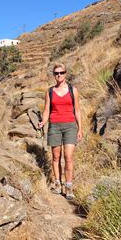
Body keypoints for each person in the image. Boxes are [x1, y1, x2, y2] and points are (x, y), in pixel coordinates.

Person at [38, 63, 82, 200]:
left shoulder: (72, 90)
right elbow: (46, 110)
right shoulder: (49, 91)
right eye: (56, 73)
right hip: (54, 126)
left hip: (70, 126)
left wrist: (80, 128)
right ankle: (58, 184)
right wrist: (43, 122)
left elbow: (77, 110)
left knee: (68, 157)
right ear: (53, 75)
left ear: (65, 73)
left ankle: (69, 187)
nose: (59, 75)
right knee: (56, 157)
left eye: (61, 73)